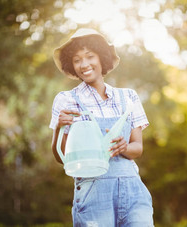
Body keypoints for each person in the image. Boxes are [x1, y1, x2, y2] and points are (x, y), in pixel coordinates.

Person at [49, 28, 154, 226]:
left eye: (90, 56)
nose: (84, 64)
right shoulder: (67, 100)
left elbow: (137, 148)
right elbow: (60, 157)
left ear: (102, 58)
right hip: (93, 193)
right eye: (77, 60)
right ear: (71, 65)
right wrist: (58, 129)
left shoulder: (128, 97)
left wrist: (123, 148)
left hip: (132, 191)